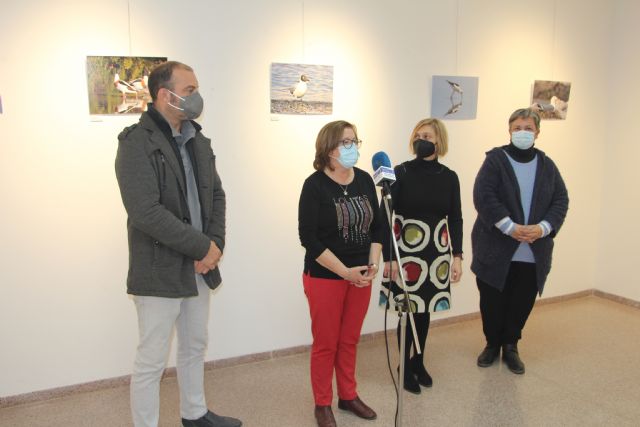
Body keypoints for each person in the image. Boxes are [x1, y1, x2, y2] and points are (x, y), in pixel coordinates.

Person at [115, 61, 242, 427]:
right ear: (164, 95)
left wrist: (213, 244)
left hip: (200, 266)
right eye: (189, 90)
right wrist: (201, 247)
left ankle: (195, 413)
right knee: (152, 359)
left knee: (194, 345)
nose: (197, 97)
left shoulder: (198, 140)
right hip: (159, 269)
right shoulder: (135, 142)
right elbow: (145, 211)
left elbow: (216, 195)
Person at [471, 108, 569, 374]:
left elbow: (560, 200)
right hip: (496, 248)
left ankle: (511, 345)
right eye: (517, 127)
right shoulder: (496, 160)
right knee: (492, 300)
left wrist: (543, 228)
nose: (523, 132)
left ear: (538, 131)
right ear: (509, 131)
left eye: (528, 128)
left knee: (521, 301)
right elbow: (484, 196)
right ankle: (492, 344)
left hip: (532, 250)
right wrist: (510, 227)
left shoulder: (547, 165)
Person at [298, 120, 382, 427]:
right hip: (326, 275)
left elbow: (378, 227)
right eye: (346, 142)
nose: (353, 148)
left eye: (355, 141)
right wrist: (345, 272)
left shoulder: (363, 180)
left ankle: (348, 395)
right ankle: (323, 403)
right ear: (329, 148)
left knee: (349, 340)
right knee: (326, 343)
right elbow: (309, 237)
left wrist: (371, 265)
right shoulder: (314, 185)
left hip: (361, 274)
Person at [380, 118, 463, 394]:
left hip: (436, 253)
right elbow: (386, 214)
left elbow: (456, 219)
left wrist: (458, 256)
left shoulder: (449, 177)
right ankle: (403, 364)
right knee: (407, 310)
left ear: (438, 140)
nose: (420, 139)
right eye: (417, 134)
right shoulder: (399, 172)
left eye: (426, 135)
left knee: (425, 310)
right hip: (406, 252)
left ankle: (418, 361)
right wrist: (389, 258)